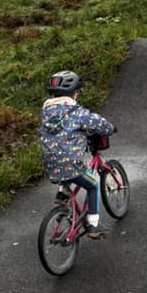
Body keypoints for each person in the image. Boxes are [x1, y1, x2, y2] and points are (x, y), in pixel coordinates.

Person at [39, 70, 115, 239]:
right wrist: (110, 128)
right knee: (93, 185)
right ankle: (93, 224)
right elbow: (97, 123)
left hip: (50, 162)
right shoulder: (76, 112)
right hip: (70, 164)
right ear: (73, 93)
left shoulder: (46, 113)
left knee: (62, 167)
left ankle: (63, 192)